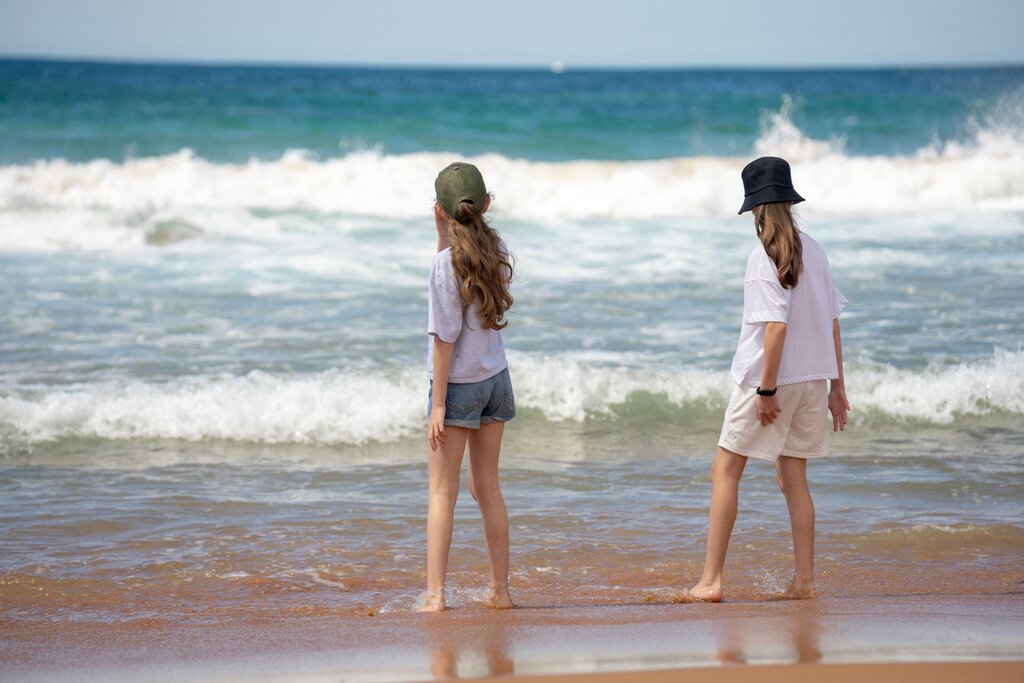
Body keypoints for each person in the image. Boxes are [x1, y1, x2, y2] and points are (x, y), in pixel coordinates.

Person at [682, 156, 850, 602]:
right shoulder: (815, 250)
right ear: (790, 201)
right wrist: (837, 386)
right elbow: (832, 322)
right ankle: (804, 581)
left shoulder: (764, 256)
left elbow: (775, 328)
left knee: (725, 470)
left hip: (772, 380)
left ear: (755, 208)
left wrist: (767, 389)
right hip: (814, 380)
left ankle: (711, 581)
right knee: (794, 479)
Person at [423, 162, 516, 612]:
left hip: (458, 386)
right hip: (495, 379)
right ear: (486, 205)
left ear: (439, 210)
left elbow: (445, 338)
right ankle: (501, 592)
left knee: (443, 493)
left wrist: (439, 405)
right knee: (487, 488)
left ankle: (435, 596)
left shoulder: (445, 265)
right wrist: (443, 236)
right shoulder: (495, 248)